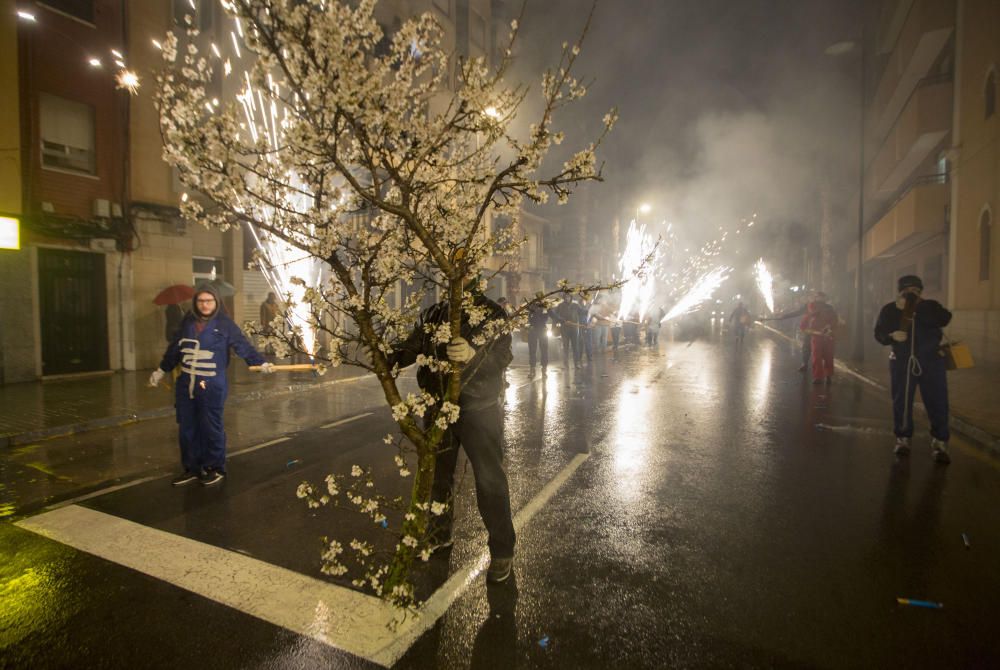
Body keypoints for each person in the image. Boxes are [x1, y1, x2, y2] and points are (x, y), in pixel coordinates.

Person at [387, 286, 516, 583]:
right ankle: (438, 535)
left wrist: (474, 354)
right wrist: (388, 355)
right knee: (436, 478)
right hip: (438, 409)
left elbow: (502, 355)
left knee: (489, 480)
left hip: (479, 410)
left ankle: (502, 550)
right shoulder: (434, 313)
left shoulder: (492, 313)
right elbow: (412, 346)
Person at [149, 283, 273, 486]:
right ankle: (192, 467)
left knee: (210, 426)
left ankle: (215, 467)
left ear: (216, 302)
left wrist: (261, 363)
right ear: (195, 302)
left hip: (212, 383)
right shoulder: (187, 321)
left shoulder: (225, 324)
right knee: (187, 428)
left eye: (209, 301)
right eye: (201, 301)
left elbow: (242, 345)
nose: (205, 305)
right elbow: (175, 348)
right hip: (186, 383)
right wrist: (162, 369)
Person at [873, 275, 952, 464]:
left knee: (937, 401)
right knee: (902, 401)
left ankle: (940, 441)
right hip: (902, 362)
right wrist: (891, 336)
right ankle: (903, 438)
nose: (910, 293)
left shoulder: (930, 306)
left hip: (931, 362)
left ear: (921, 291)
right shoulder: (890, 309)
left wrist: (918, 308)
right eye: (906, 289)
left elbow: (945, 318)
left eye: (915, 289)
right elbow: (879, 333)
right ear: (899, 291)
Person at [762, 294, 811, 372]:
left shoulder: (812, 306)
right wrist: (784, 316)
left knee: (811, 349)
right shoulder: (809, 306)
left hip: (818, 331)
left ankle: (810, 366)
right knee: (806, 348)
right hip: (811, 331)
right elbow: (796, 313)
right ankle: (806, 364)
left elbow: (796, 313)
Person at [799, 292, 837, 384]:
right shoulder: (810, 311)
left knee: (828, 356)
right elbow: (804, 326)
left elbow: (834, 320)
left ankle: (828, 375)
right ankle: (818, 376)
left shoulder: (829, 309)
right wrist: (812, 331)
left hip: (828, 336)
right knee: (817, 357)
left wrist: (829, 327)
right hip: (816, 338)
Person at [554, 293, 582, 368]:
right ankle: (565, 363)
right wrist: (558, 322)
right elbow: (555, 316)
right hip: (564, 328)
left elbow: (582, 312)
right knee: (565, 346)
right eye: (566, 297)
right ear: (564, 298)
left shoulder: (575, 305)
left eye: (569, 297)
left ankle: (577, 363)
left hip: (574, 328)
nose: (567, 298)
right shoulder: (560, 306)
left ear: (571, 297)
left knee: (575, 346)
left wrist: (590, 311)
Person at [526, 292, 550, 376]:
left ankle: (544, 369)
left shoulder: (545, 306)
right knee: (532, 350)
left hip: (542, 330)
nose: (539, 299)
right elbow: (529, 317)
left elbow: (546, 318)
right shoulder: (531, 306)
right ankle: (532, 369)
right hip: (533, 330)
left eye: (540, 297)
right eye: (537, 297)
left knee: (544, 350)